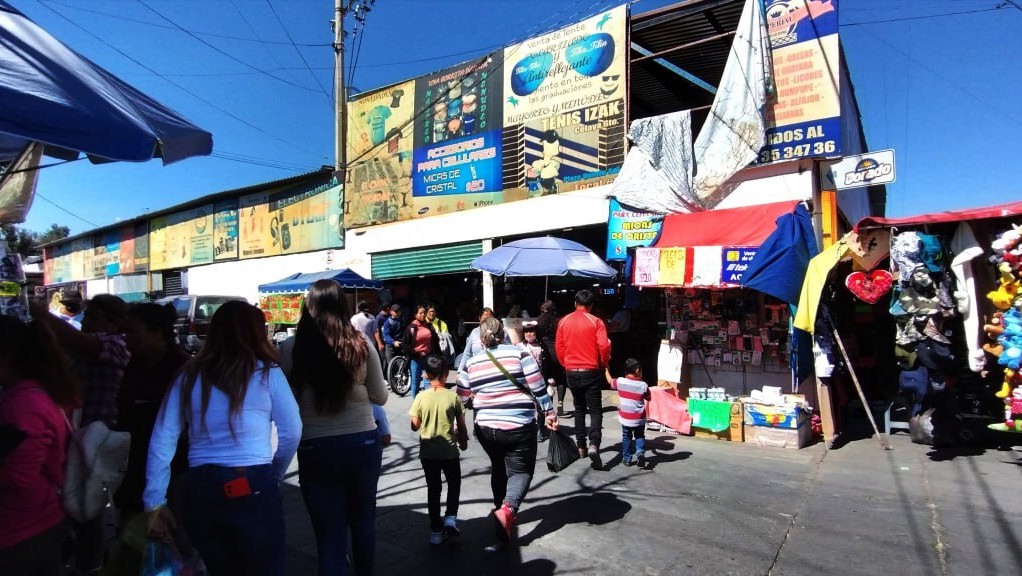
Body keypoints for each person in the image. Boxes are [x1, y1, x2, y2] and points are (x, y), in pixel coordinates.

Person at [144, 301, 302, 576]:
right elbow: (292, 430)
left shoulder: (188, 375)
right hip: (252, 482)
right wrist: (273, 473)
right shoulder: (266, 373)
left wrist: (154, 502)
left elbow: (163, 437)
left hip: (201, 486)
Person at [288, 279, 388, 576]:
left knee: (329, 536)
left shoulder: (292, 347)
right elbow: (381, 396)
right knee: (363, 522)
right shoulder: (360, 343)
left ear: (310, 306)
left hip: (314, 445)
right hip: (362, 442)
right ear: (342, 305)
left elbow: (286, 400)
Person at [31, 293, 131, 574]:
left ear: (110, 321)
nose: (85, 320)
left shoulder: (114, 344)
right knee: (79, 497)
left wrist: (40, 312)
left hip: (100, 432)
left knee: (90, 502)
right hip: (81, 432)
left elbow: (79, 341)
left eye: (92, 316)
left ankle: (91, 564)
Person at [457, 317, 557, 544]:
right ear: (503, 335)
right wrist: (549, 413)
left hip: (485, 428)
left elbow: (461, 396)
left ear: (481, 340)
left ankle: (498, 508)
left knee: (498, 466)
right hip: (518, 425)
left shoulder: (471, 363)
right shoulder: (519, 354)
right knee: (520, 471)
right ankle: (508, 509)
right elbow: (538, 386)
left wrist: (457, 423)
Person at [0, 316, 77, 576]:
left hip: (21, 529)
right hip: (36, 524)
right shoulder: (32, 394)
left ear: (7, 356)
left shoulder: (23, 405)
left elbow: (19, 477)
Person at [409, 355, 468, 545]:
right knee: (454, 483)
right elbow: (461, 425)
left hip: (428, 453)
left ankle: (435, 530)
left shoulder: (420, 397)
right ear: (445, 374)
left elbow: (415, 425)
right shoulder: (453, 396)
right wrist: (463, 441)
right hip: (449, 451)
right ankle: (450, 517)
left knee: (433, 489)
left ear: (425, 375)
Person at [555, 289, 611, 470]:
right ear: (591, 305)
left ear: (575, 303)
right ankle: (594, 443)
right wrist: (602, 364)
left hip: (571, 370)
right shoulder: (596, 322)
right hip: (591, 370)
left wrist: (566, 364)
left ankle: (581, 446)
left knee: (579, 408)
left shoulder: (564, 321)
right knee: (595, 410)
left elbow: (559, 347)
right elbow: (603, 346)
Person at [608, 358, 651, 468]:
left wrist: (605, 369)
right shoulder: (643, 385)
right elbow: (649, 398)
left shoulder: (620, 381)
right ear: (637, 371)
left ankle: (627, 459)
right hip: (639, 418)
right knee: (639, 435)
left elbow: (610, 381)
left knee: (626, 437)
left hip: (626, 418)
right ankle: (640, 452)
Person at [536, 300, 567, 417]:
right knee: (561, 378)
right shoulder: (558, 321)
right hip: (558, 352)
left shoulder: (539, 321)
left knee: (547, 379)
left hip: (545, 353)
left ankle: (549, 405)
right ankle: (560, 402)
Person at [520, 321, 550, 441]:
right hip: (524, 381)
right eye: (526, 331)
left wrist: (550, 378)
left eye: (531, 331)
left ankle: (540, 429)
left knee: (540, 405)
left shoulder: (541, 346)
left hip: (540, 380)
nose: (529, 334)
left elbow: (547, 363)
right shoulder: (520, 347)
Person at [406, 305, 441, 399]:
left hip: (428, 358)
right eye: (420, 313)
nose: (423, 315)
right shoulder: (411, 328)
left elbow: (435, 341)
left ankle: (427, 403)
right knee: (415, 381)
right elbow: (405, 344)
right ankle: (415, 403)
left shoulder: (429, 326)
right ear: (415, 315)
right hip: (416, 358)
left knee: (428, 380)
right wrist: (414, 352)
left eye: (424, 313)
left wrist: (439, 355)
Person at [457, 307, 495, 372]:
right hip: (477, 369)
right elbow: (467, 353)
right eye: (485, 319)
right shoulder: (474, 332)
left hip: (493, 369)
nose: (487, 322)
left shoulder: (498, 332)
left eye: (490, 319)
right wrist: (460, 371)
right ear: (480, 318)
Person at [382, 304, 404, 377]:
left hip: (400, 344)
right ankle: (392, 381)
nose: (397, 313)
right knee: (391, 365)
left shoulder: (401, 320)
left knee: (401, 364)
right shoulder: (387, 322)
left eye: (399, 311)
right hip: (390, 345)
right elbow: (386, 335)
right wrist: (393, 342)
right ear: (391, 312)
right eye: (395, 311)